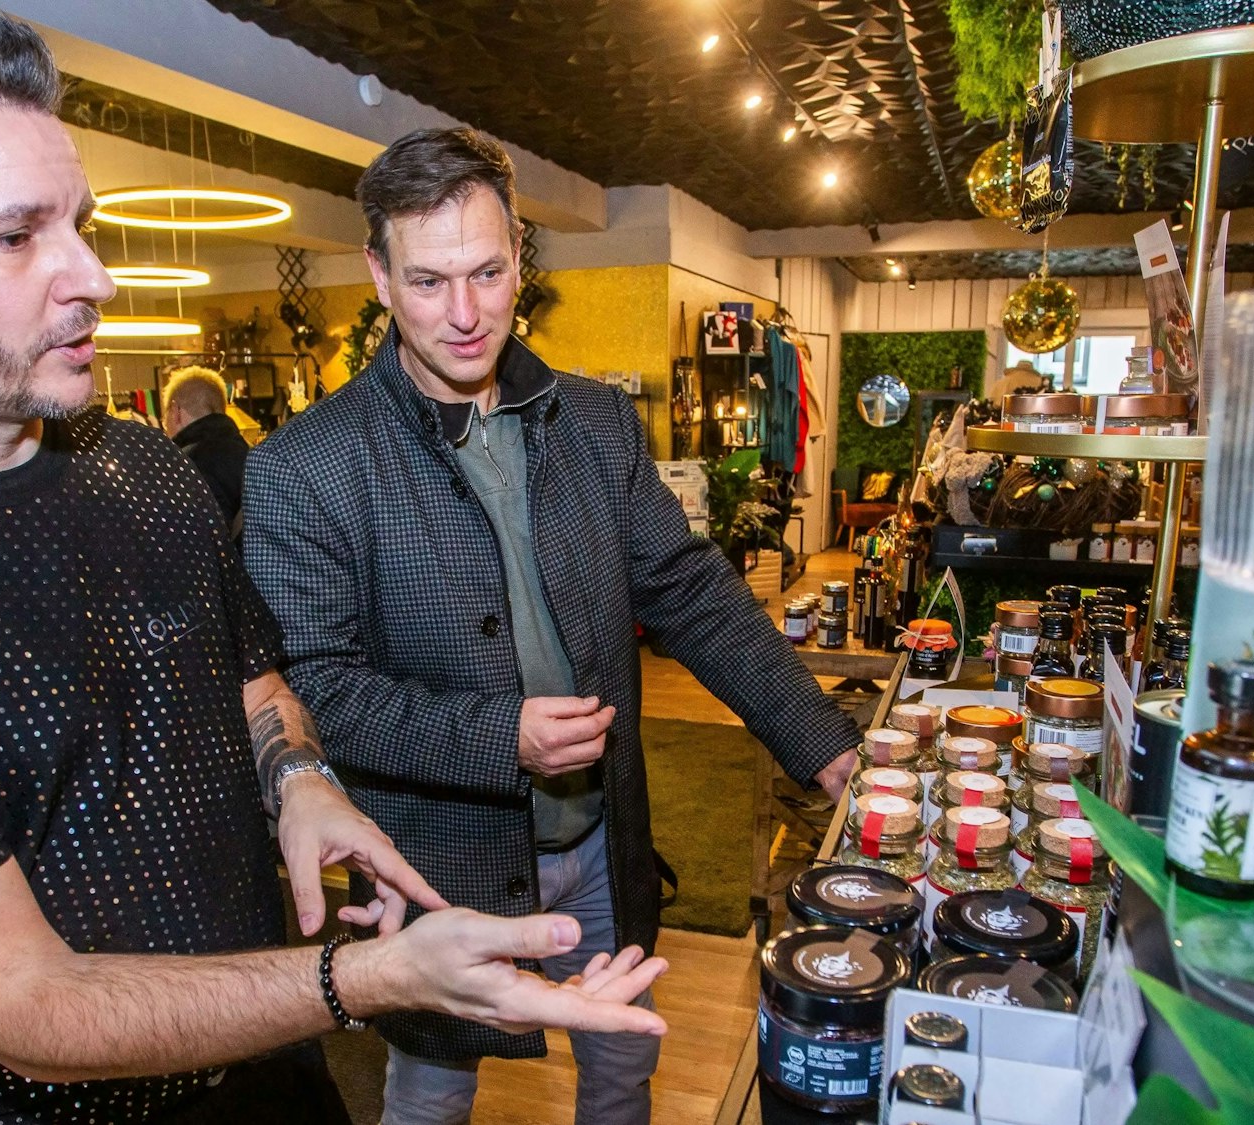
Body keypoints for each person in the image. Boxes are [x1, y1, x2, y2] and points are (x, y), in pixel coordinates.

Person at [0, 8, 665, 1123]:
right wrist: (370, 980)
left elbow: (253, 678)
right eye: (13, 237)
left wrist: (301, 784)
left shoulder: (138, 466)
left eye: (80, 224)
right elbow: (28, 1008)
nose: (91, 275)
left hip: (277, 1079)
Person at [243, 127, 861, 1125]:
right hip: (442, 862)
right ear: (378, 273)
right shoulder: (305, 467)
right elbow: (317, 688)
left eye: (488, 272)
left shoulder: (596, 422)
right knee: (432, 1090)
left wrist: (822, 743)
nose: (464, 314)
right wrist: (502, 737)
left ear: (520, 255)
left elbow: (691, 593)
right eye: (429, 280)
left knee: (622, 1064)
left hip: (600, 839)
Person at [162, 365, 250, 528]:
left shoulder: (184, 466)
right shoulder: (250, 452)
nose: (164, 424)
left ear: (176, 411)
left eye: (164, 415)